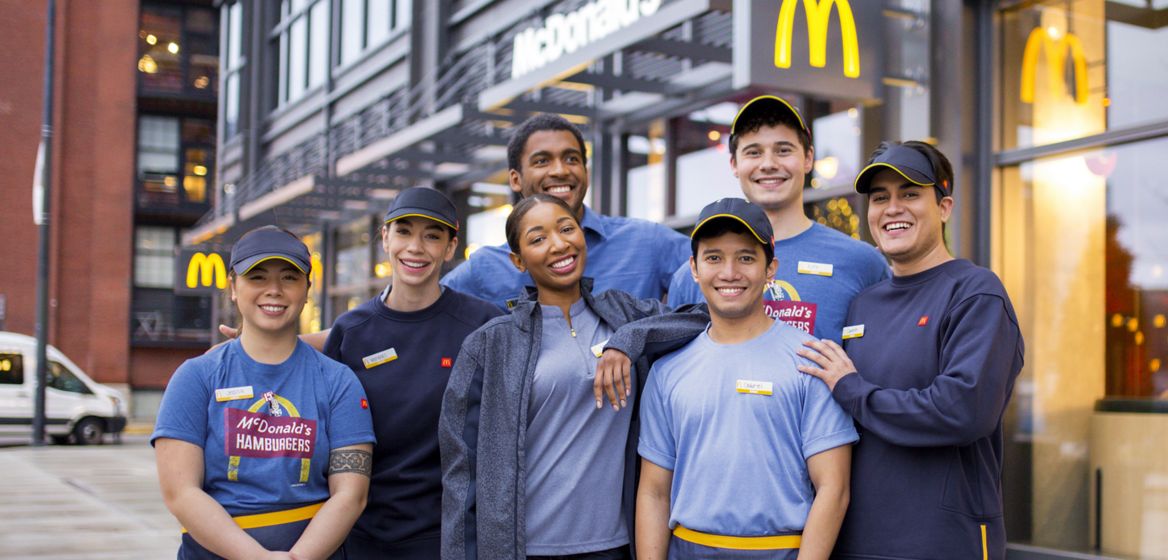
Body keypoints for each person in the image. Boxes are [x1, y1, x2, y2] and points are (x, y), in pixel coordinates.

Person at [439, 194, 707, 560]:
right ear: (518, 260)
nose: (559, 244)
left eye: (567, 229)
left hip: (616, 545)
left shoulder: (625, 314)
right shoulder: (490, 344)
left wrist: (628, 339)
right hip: (524, 549)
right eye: (538, 238)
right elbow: (461, 474)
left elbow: (701, 315)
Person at [797, 141, 1024, 560]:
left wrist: (851, 389)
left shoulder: (975, 292)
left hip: (942, 543)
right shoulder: (865, 303)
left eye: (910, 194)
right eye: (880, 198)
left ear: (944, 206)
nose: (892, 208)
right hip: (856, 541)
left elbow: (961, 410)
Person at [635, 198, 857, 560]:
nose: (729, 272)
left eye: (746, 257)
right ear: (694, 268)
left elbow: (834, 488)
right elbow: (654, 493)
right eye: (714, 258)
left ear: (771, 269)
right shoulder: (667, 369)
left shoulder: (810, 359)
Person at [152, 226, 376, 559]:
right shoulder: (196, 378)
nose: (274, 290)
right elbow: (181, 493)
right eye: (257, 277)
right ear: (233, 287)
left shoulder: (338, 382)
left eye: (289, 278)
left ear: (307, 289)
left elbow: (350, 495)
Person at [322, 188, 501, 558]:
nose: (416, 247)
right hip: (361, 534)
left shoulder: (483, 325)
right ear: (385, 238)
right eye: (404, 232)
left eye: (432, 236)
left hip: (450, 537)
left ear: (451, 248)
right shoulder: (350, 332)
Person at [667, 95, 888, 342]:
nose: (768, 164)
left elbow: (882, 357)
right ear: (734, 164)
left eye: (783, 150)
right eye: (753, 152)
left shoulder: (861, 262)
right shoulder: (691, 276)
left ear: (807, 158)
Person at [442, 113, 690, 309]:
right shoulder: (485, 269)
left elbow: (719, 279)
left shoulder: (646, 241)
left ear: (586, 172)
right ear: (515, 179)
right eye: (542, 161)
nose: (560, 170)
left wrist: (656, 334)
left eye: (572, 159)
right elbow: (423, 311)